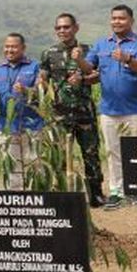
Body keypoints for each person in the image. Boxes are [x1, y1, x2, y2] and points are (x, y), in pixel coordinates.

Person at [88, 4, 137, 209]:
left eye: (121, 18)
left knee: (136, 150)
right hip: (108, 109)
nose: (117, 21)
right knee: (113, 151)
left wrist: (127, 58)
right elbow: (89, 68)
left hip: (135, 109)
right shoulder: (100, 44)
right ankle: (116, 191)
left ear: (131, 21)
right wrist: (79, 60)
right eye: (114, 18)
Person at [40, 13, 105, 207]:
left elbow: (97, 76)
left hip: (84, 112)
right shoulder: (48, 53)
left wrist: (83, 79)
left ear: (76, 28)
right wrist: (40, 84)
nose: (62, 31)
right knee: (59, 156)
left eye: (66, 27)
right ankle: (62, 195)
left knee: (91, 154)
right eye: (59, 28)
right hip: (59, 115)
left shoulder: (88, 50)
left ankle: (96, 193)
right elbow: (43, 77)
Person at [0, 33, 43, 190]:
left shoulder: (35, 67)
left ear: (23, 48)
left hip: (32, 125)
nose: (10, 50)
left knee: (34, 164)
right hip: (6, 126)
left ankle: (35, 202)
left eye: (14, 46)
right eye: (7, 46)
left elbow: (41, 93)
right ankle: (16, 201)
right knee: (11, 167)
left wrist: (27, 90)